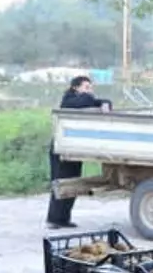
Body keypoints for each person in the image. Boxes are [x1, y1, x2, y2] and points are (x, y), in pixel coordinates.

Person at [46, 75, 111, 229]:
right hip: (60, 149)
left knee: (72, 183)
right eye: (86, 87)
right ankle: (53, 219)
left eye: (90, 88)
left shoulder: (84, 98)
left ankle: (64, 218)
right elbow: (84, 102)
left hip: (73, 148)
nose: (89, 91)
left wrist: (104, 103)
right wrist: (98, 101)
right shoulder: (69, 99)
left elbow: (103, 101)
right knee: (60, 182)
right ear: (75, 88)